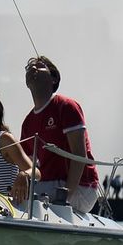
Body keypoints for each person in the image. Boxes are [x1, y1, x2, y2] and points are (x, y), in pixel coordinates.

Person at [19, 55, 99, 219]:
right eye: (29, 68)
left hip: (80, 187)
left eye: (39, 66)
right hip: (47, 185)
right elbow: (27, 165)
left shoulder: (66, 106)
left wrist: (65, 197)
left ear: (53, 78)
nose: (33, 69)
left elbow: (79, 155)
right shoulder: (27, 122)